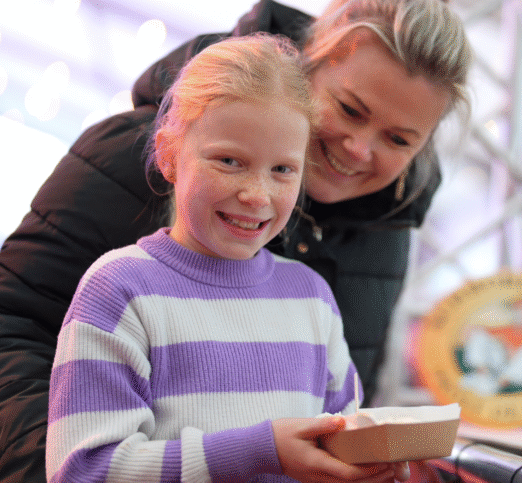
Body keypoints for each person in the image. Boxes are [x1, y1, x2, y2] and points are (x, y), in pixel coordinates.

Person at [0, 0, 472, 481]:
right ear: (306, 67)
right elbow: (3, 325)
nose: (361, 149)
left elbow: (331, 418)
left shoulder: (384, 232)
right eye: (349, 108)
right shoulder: (135, 161)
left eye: (399, 139)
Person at [47, 33, 407, 483]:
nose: (257, 195)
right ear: (169, 154)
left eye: (282, 170)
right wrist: (259, 451)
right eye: (229, 161)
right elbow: (84, 471)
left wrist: (369, 466)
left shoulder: (312, 297)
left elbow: (339, 446)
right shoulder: (119, 289)